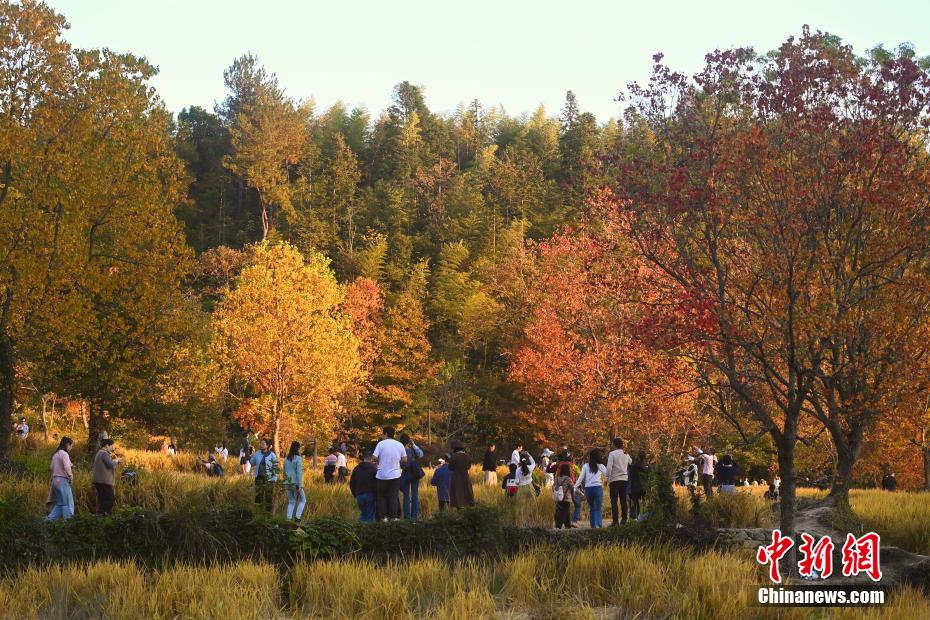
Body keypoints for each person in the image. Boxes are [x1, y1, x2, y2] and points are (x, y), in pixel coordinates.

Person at [373, 426, 407, 521]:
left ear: (386, 434)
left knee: (381, 497)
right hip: (395, 475)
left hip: (381, 475)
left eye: (382, 434)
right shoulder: (399, 445)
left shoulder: (380, 444)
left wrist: (379, 460)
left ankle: (383, 517)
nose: (382, 436)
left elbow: (374, 458)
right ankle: (393, 517)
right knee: (393, 496)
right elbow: (405, 459)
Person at [574, 449, 607, 528]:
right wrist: (606, 482)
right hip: (598, 488)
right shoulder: (601, 466)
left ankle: (593, 526)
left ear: (590, 457)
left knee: (592, 508)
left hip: (588, 489)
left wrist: (574, 487)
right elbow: (608, 475)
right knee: (598, 508)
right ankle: (598, 525)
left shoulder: (585, 466)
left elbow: (580, 478)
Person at [606, 438, 633, 526]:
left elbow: (609, 468)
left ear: (615, 445)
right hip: (624, 480)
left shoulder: (612, 454)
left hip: (614, 480)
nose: (611, 445)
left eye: (612, 444)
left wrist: (607, 478)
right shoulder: (625, 453)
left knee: (614, 501)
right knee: (623, 500)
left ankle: (615, 521)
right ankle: (624, 519)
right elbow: (631, 462)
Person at [47, 437, 74, 521]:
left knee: (60, 504)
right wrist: (70, 476)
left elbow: (51, 467)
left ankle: (48, 521)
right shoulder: (64, 454)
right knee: (68, 503)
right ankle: (69, 522)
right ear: (67, 444)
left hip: (55, 481)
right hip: (62, 481)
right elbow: (67, 467)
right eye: (71, 446)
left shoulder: (56, 454)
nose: (71, 448)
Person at [92, 438, 121, 515]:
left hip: (99, 481)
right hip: (103, 481)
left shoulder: (100, 453)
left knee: (103, 501)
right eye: (111, 446)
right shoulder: (104, 453)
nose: (112, 448)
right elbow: (110, 464)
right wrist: (117, 460)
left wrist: (114, 461)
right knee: (110, 500)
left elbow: (109, 463)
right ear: (107, 445)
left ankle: (101, 517)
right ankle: (102, 515)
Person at [399, 433, 425, 520]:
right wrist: (413, 444)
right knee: (415, 494)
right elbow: (421, 454)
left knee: (406, 495)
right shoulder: (413, 450)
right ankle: (414, 516)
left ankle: (407, 517)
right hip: (415, 473)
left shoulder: (400, 450)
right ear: (408, 441)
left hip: (405, 473)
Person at [250, 439, 278, 512]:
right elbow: (253, 463)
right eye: (260, 443)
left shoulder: (272, 455)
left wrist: (274, 479)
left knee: (269, 497)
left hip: (269, 479)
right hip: (259, 478)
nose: (261, 445)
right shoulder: (257, 453)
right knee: (258, 496)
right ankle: (258, 513)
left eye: (263, 444)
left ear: (267, 445)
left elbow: (275, 468)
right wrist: (251, 456)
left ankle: (268, 514)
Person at [349, 452, 378, 522]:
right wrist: (376, 495)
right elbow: (377, 483)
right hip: (370, 494)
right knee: (370, 515)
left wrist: (355, 494)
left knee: (363, 514)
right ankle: (369, 528)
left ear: (364, 459)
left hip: (359, 495)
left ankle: (359, 527)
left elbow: (352, 483)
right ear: (371, 459)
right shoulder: (374, 469)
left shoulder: (356, 468)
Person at [283, 441, 306, 521]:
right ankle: (297, 517)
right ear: (298, 449)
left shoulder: (286, 459)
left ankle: (288, 519)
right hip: (295, 483)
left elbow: (284, 471)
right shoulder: (298, 458)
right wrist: (300, 484)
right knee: (303, 500)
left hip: (287, 482)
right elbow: (299, 472)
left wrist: (285, 481)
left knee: (291, 501)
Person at [448, 440, 475, 508]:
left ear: (455, 449)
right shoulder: (467, 456)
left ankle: (459, 509)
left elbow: (450, 468)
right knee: (467, 492)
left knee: (457, 495)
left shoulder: (453, 457)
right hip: (465, 477)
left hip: (456, 478)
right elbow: (469, 467)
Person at [629, 450, 650, 520]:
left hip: (635, 487)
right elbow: (650, 475)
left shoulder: (634, 466)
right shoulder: (647, 466)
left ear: (638, 456)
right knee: (644, 503)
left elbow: (630, 476)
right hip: (644, 487)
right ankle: (644, 517)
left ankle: (635, 517)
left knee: (635, 503)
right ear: (645, 457)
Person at [553, 463, 574, 529]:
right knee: (564, 513)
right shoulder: (568, 479)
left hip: (558, 498)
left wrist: (557, 493)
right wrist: (573, 496)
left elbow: (553, 487)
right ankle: (558, 526)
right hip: (566, 499)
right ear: (567, 470)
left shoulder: (557, 478)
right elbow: (572, 488)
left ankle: (568, 526)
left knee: (565, 512)